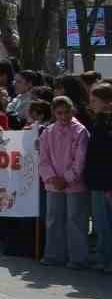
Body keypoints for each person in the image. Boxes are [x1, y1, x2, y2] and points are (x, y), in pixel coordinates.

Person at [40, 96, 90, 269]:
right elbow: (43, 158)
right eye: (59, 113)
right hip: (53, 183)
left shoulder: (80, 131)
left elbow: (80, 159)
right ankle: (54, 254)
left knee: (75, 219)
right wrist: (52, 178)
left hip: (74, 183)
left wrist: (67, 178)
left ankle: (78, 257)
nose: (63, 116)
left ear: (72, 110)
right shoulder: (48, 131)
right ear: (54, 113)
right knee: (54, 218)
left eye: (66, 112)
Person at [86, 84, 112, 272]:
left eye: (94, 101)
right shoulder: (97, 121)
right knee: (101, 224)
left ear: (106, 103)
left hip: (107, 182)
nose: (91, 104)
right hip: (96, 181)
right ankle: (103, 258)